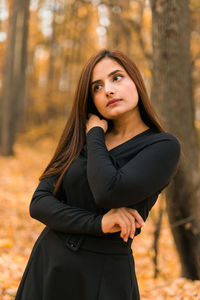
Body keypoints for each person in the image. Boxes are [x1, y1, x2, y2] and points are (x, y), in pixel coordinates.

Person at [15, 49, 181, 300]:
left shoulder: (162, 146)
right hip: (50, 265)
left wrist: (95, 134)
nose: (108, 90)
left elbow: (108, 191)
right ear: (91, 99)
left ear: (136, 80)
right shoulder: (79, 140)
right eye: (97, 87)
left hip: (104, 276)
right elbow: (39, 203)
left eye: (117, 78)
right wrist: (98, 223)